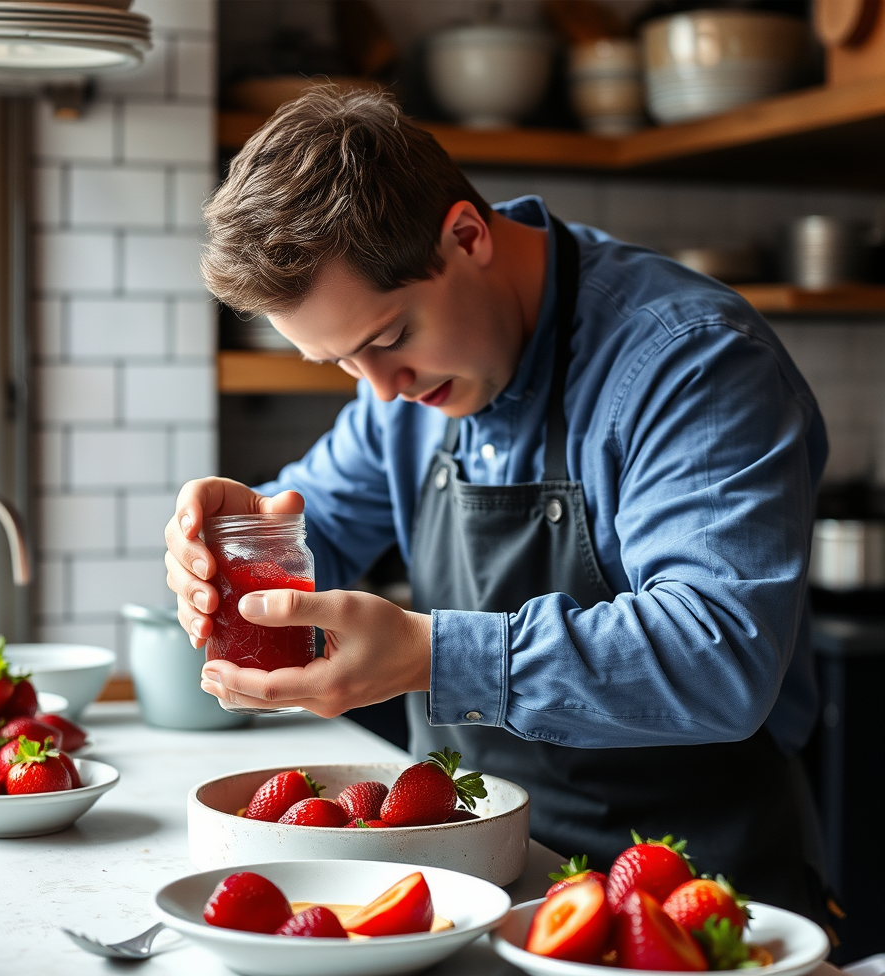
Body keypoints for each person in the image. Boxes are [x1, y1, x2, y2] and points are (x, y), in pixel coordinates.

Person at [164, 87, 828, 919]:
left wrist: (430, 656)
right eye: (338, 363)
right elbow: (320, 526)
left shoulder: (688, 363)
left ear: (467, 237)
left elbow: (719, 654)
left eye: (388, 339)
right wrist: (236, 551)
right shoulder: (396, 392)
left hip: (682, 899)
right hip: (462, 882)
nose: (383, 393)